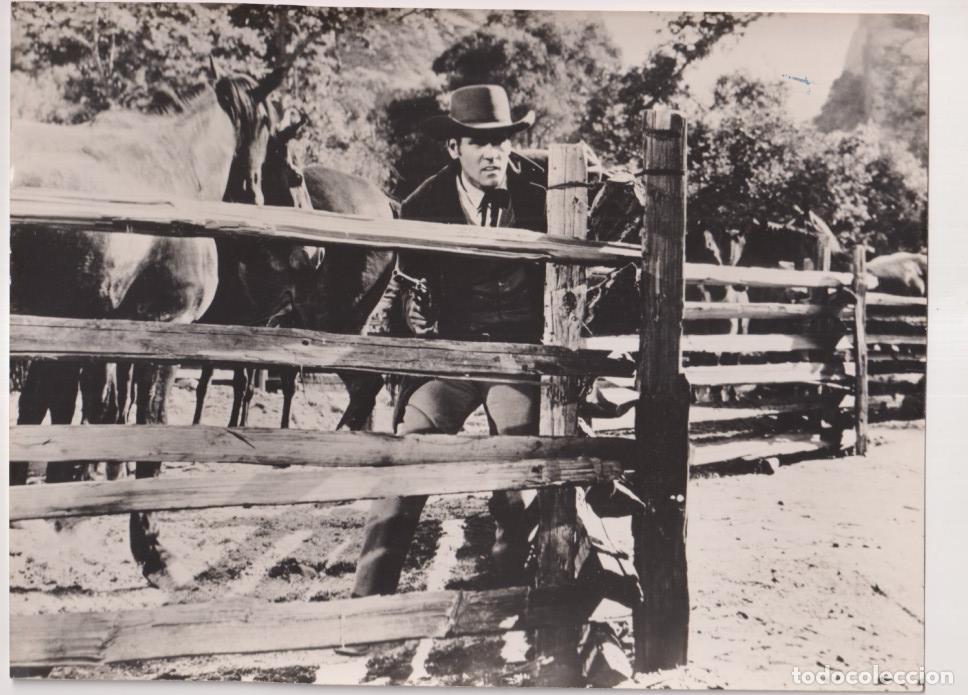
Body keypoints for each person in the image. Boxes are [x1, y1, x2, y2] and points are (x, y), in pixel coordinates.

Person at [350, 84, 547, 600]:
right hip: (452, 356)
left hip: (517, 357)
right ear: (454, 148)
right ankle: (368, 599)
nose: (493, 153)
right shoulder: (423, 203)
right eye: (478, 142)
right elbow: (406, 288)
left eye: (501, 141)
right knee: (409, 456)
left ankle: (508, 577)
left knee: (519, 454)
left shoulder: (542, 195)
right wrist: (415, 325)